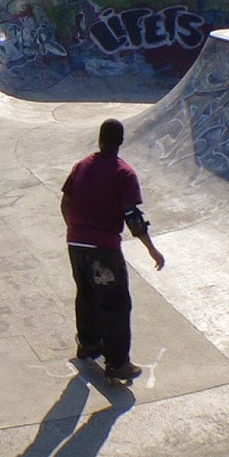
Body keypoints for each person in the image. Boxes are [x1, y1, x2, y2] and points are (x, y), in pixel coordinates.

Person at [60, 118, 165, 382]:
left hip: (75, 243)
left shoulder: (82, 166)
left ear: (99, 139)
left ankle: (89, 344)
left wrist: (75, 229)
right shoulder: (123, 173)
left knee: (86, 294)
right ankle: (118, 364)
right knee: (116, 303)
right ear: (120, 141)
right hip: (103, 250)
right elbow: (131, 215)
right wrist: (152, 250)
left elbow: (66, 201)